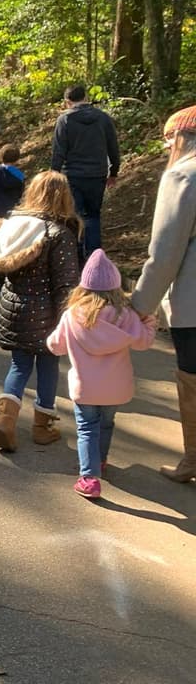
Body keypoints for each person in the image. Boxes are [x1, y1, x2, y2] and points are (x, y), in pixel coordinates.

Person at [0, 171, 81, 452]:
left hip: (14, 307)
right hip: (48, 313)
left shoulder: (13, 227)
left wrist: (3, 300)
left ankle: (4, 417)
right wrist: (70, 317)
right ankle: (43, 426)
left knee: (19, 364)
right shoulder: (60, 234)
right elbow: (66, 283)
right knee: (48, 364)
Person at [46, 250, 156, 499]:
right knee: (106, 423)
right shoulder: (125, 316)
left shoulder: (72, 315)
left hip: (85, 388)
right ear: (116, 288)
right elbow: (143, 342)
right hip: (116, 388)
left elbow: (55, 346)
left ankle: (89, 477)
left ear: (83, 287)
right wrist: (148, 321)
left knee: (87, 428)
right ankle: (101, 460)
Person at [129, 104, 196, 482]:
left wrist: (140, 306)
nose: (167, 145)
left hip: (193, 301)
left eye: (169, 138)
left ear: (182, 137)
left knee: (192, 377)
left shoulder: (184, 176)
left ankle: (194, 459)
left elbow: (166, 252)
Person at [51, 84, 120, 260]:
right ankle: (95, 258)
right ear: (86, 98)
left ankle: (78, 257)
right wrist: (114, 172)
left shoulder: (64, 120)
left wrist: (54, 175)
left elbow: (59, 151)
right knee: (93, 215)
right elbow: (113, 147)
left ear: (67, 101)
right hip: (97, 174)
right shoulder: (103, 118)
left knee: (75, 216)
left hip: (73, 175)